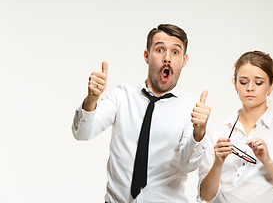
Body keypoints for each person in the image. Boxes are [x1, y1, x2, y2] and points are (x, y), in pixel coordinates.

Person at [72, 24, 211, 203]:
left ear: (184, 61)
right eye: (160, 49)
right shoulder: (122, 96)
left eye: (175, 52)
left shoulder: (193, 107)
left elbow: (188, 164)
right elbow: (81, 133)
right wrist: (91, 99)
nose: (167, 58)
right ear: (147, 56)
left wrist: (198, 133)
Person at [198, 51, 273, 203]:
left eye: (258, 83)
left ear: (271, 86)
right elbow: (206, 196)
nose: (250, 88)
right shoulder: (218, 131)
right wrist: (218, 163)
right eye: (243, 82)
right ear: (235, 85)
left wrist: (268, 162)